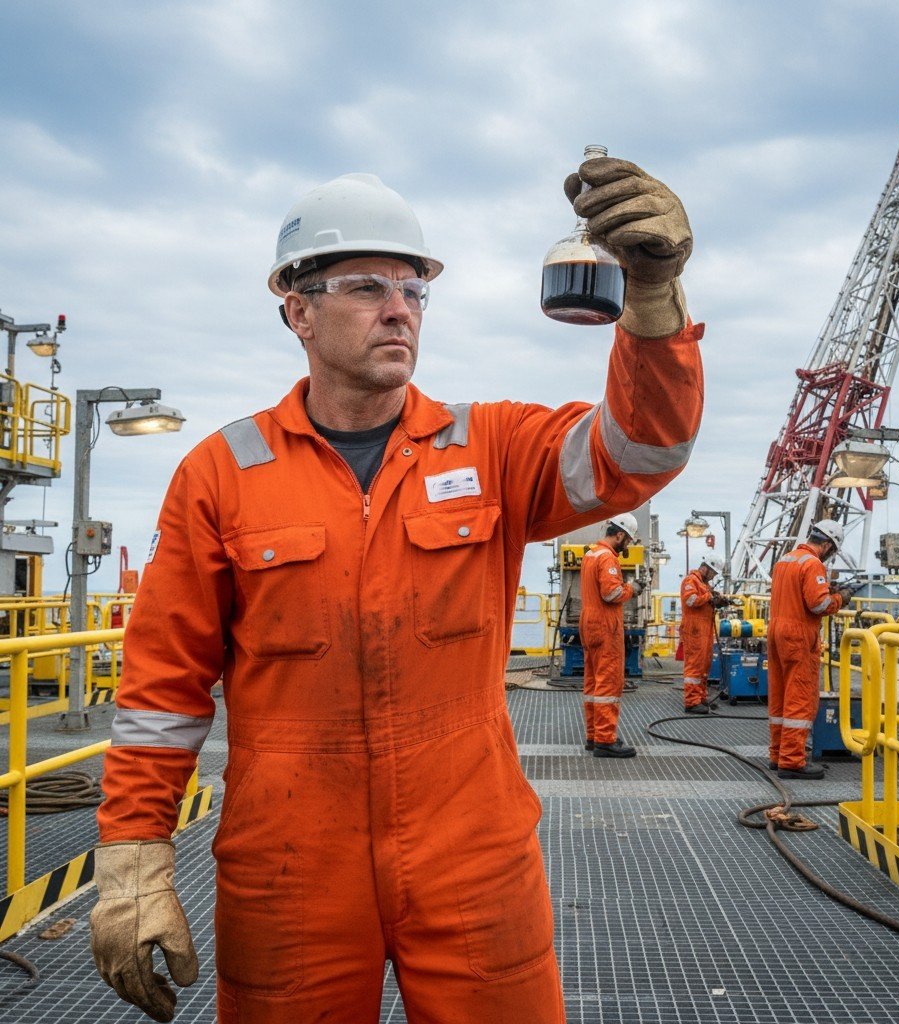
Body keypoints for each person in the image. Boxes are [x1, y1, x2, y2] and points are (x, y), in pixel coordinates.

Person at [88, 158, 705, 1024]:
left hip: (473, 859)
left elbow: (643, 451)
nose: (399, 308)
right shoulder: (222, 475)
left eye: (416, 289)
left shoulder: (489, 449)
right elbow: (162, 692)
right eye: (368, 285)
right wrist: (135, 859)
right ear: (297, 311)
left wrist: (652, 302)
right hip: (290, 869)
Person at [766, 519, 852, 779]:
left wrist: (826, 589)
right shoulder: (813, 563)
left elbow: (797, 593)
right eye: (831, 551)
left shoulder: (786, 559)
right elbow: (818, 605)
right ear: (826, 544)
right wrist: (840, 598)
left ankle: (778, 753)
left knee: (780, 694)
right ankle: (792, 761)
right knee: (799, 697)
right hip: (798, 635)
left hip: (776, 631)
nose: (829, 556)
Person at [579, 513, 646, 758]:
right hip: (605, 625)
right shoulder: (608, 557)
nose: (627, 545)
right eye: (627, 540)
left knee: (592, 681)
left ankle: (593, 736)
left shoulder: (590, 554)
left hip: (588, 622)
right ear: (619, 534)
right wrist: (633, 589)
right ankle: (606, 740)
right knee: (607, 682)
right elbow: (611, 593)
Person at [678, 555, 727, 714]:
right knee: (694, 665)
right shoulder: (690, 581)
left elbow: (706, 600)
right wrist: (710, 597)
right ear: (705, 567)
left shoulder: (704, 585)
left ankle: (700, 698)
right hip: (694, 629)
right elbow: (690, 600)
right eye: (713, 572)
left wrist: (718, 600)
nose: (713, 576)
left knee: (704, 664)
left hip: (704, 629)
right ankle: (691, 702)